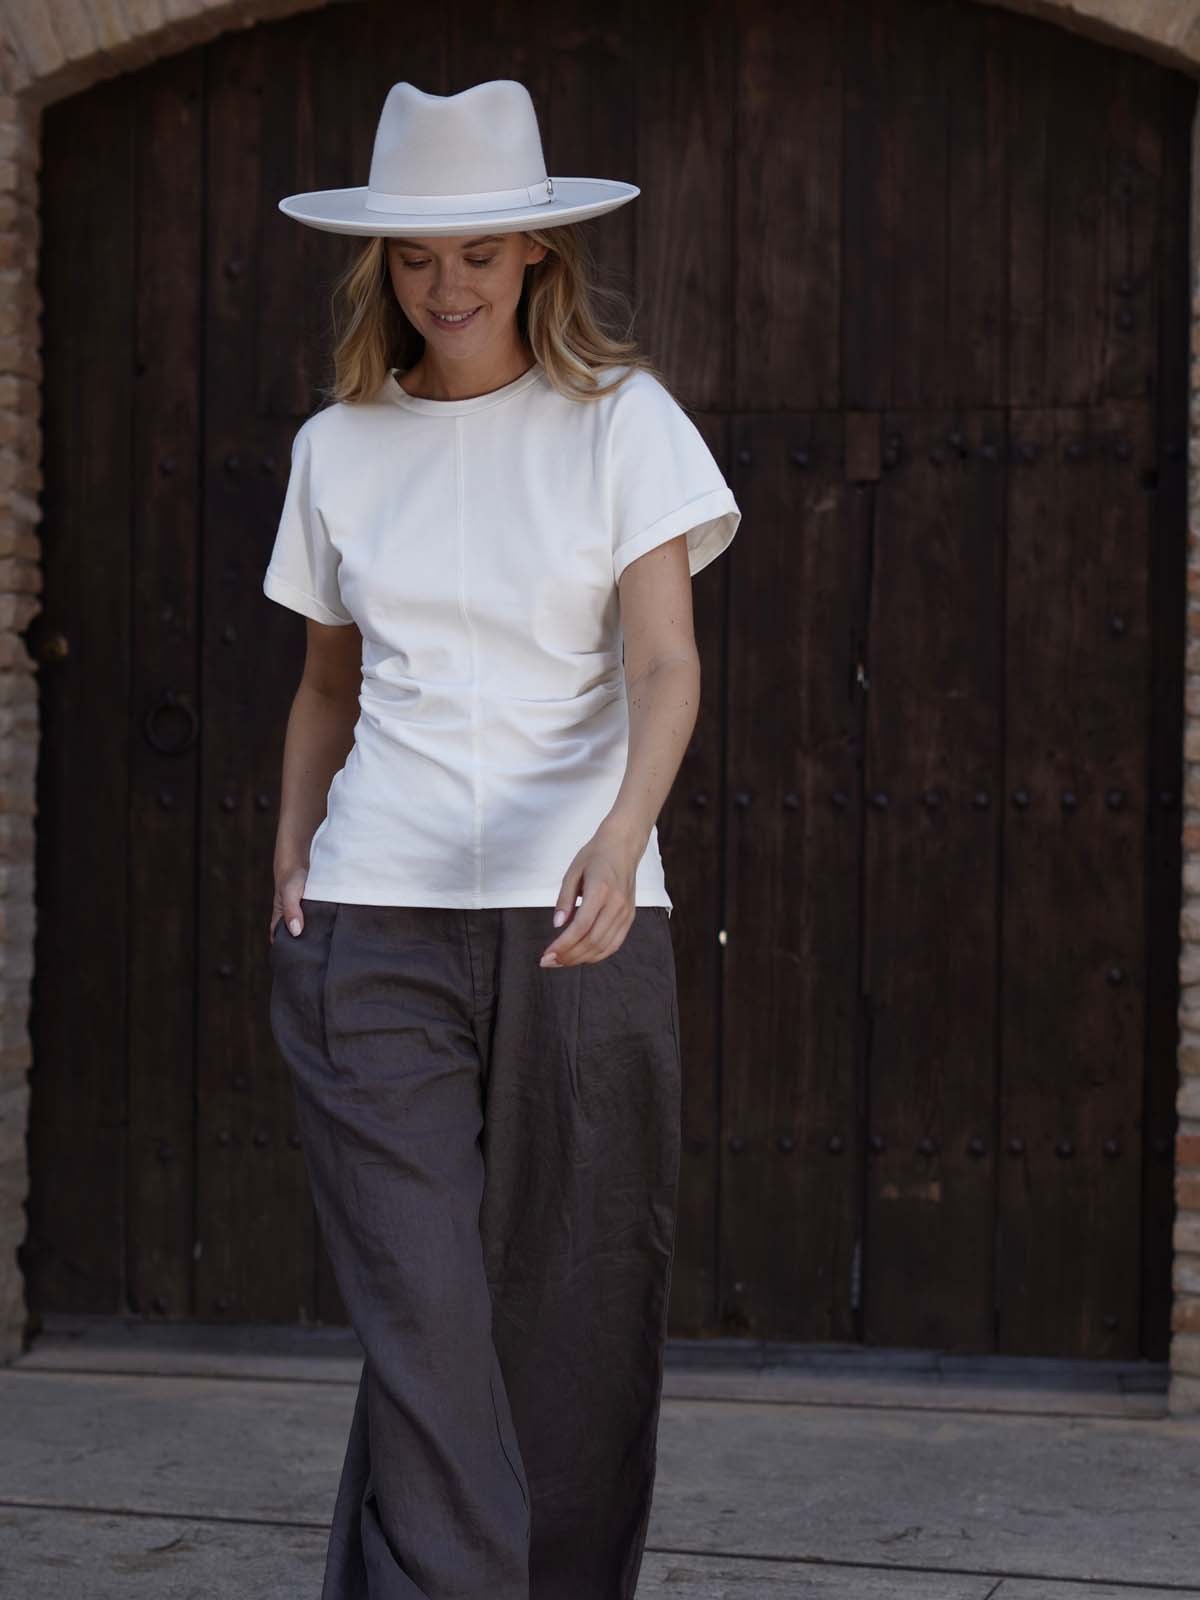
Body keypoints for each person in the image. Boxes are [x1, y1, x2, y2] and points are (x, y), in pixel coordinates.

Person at [263, 79, 741, 1600]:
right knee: (428, 1324)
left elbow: (665, 663)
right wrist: (293, 850)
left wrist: (623, 832)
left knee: (576, 1328)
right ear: (382, 265)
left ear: (539, 250)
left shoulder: (624, 424)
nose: (446, 285)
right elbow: (326, 683)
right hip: (371, 927)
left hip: (581, 924)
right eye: (415, 257)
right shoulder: (337, 446)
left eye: (477, 252)